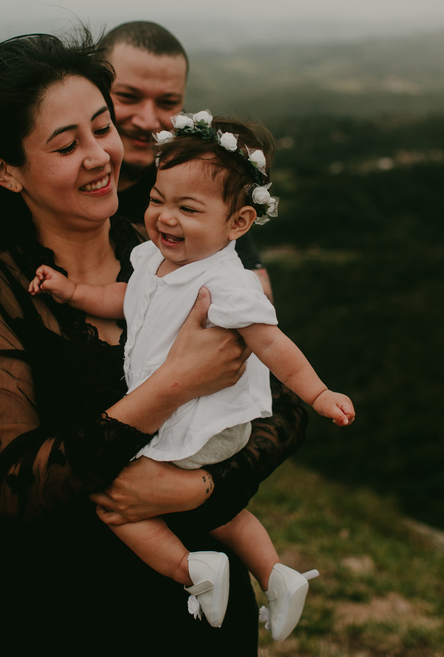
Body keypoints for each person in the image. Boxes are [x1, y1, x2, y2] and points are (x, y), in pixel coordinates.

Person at [0, 31, 308, 654]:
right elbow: (16, 487)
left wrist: (203, 487)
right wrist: (172, 386)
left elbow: (284, 404)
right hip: (64, 610)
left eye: (102, 128)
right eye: (68, 145)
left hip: (202, 601)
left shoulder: (166, 254)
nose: (100, 155)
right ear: (6, 171)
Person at [29, 113, 354, 641]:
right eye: (158, 199)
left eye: (188, 208)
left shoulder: (227, 282)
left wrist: (318, 393)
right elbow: (126, 298)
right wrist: (72, 292)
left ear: (238, 223)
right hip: (189, 416)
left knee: (112, 494)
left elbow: (272, 343)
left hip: (202, 422)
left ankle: (193, 570)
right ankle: (277, 574)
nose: (165, 217)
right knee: (221, 513)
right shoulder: (154, 260)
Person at [98, 21, 273, 300]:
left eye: (167, 103)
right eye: (127, 97)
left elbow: (259, 295)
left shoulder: (192, 182)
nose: (147, 120)